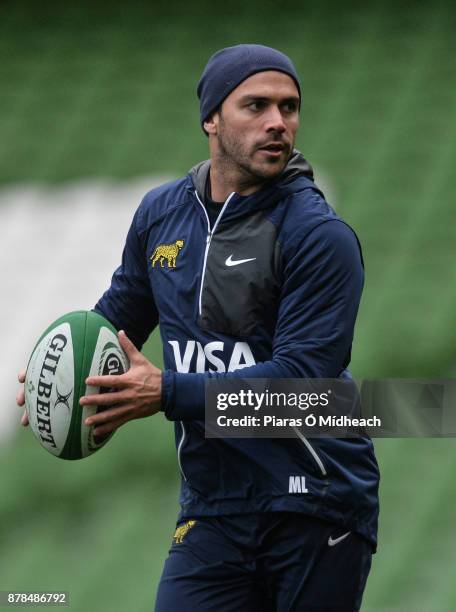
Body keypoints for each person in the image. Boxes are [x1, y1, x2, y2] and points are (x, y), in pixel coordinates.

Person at [17, 44, 379, 611]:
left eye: (289, 107)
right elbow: (117, 323)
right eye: (256, 106)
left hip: (314, 501)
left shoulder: (320, 236)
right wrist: (62, 376)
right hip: (212, 510)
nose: (277, 123)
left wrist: (165, 392)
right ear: (211, 118)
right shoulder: (161, 215)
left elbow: (301, 386)